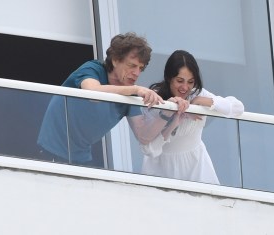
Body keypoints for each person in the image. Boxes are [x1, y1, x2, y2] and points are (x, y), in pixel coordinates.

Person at [37, 32, 186, 166]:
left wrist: (166, 113)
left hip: (80, 157)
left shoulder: (131, 92)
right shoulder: (93, 68)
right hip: (50, 150)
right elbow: (92, 92)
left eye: (140, 68)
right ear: (115, 60)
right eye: (132, 65)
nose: (136, 73)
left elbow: (143, 137)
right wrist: (136, 89)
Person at [140, 50, 244, 184]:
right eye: (179, 80)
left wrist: (201, 102)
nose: (185, 87)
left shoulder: (197, 94)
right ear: (169, 77)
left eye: (190, 82)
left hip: (197, 166)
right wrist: (172, 113)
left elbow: (237, 108)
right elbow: (150, 149)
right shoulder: (156, 98)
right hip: (161, 169)